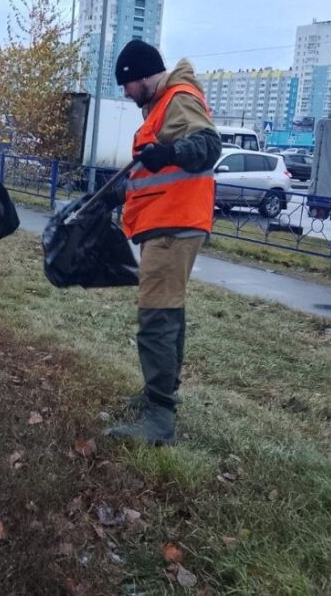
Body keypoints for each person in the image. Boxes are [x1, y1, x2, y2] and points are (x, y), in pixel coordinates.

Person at [102, 40, 222, 446]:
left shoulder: (179, 98)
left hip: (175, 226)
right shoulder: (161, 107)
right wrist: (111, 195)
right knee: (167, 314)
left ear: (143, 75)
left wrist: (169, 151)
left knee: (156, 317)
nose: (125, 93)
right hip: (165, 223)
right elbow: (152, 169)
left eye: (127, 84)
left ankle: (159, 419)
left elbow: (207, 147)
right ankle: (158, 398)